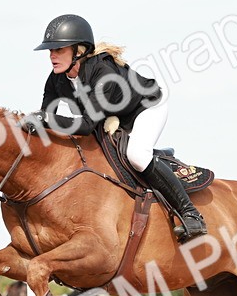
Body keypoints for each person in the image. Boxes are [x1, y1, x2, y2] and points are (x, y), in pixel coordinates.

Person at [21, 14, 208, 243]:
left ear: (79, 50)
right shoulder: (56, 79)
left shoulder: (103, 74)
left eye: (58, 50)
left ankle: (191, 215)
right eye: (50, 51)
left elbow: (86, 125)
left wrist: (46, 119)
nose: (51, 56)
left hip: (146, 108)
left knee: (137, 156)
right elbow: (48, 120)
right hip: (111, 115)